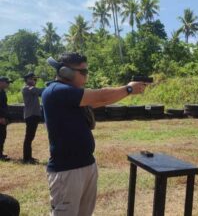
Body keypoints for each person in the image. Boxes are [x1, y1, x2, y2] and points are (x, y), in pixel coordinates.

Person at [43, 52, 147, 216]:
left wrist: (129, 91)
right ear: (65, 72)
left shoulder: (71, 93)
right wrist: (128, 89)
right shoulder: (57, 91)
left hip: (86, 164)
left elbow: (101, 100)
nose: (86, 76)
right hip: (67, 169)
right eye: (82, 72)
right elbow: (101, 95)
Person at [22, 72, 44, 164]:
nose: (35, 80)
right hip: (31, 115)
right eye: (33, 79)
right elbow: (40, 91)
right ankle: (27, 159)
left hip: (33, 115)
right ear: (27, 80)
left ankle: (29, 157)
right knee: (29, 137)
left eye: (35, 79)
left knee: (30, 137)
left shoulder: (32, 88)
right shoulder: (28, 88)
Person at [0, 76, 12, 161]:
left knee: (2, 136)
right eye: (7, 82)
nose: (8, 84)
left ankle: (0, 153)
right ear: (1, 82)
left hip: (4, 117)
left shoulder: (3, 92)